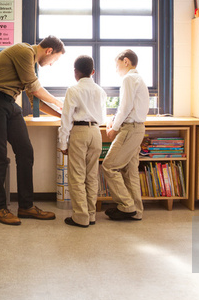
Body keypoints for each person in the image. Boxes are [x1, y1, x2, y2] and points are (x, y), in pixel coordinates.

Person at [0, 35, 65, 225]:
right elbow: (35, 90)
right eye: (55, 59)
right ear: (49, 51)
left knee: (25, 152)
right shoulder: (24, 51)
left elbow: (35, 101)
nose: (51, 64)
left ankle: (26, 206)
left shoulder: (29, 64)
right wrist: (59, 101)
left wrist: (61, 115)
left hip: (9, 103)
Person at [58, 55, 107, 228]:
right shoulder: (100, 91)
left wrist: (63, 143)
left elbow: (66, 119)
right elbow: (102, 115)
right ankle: (91, 215)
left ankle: (80, 216)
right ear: (93, 72)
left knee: (77, 176)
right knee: (92, 175)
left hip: (79, 132)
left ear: (75, 72)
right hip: (96, 132)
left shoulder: (73, 90)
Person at [101, 49, 150, 221]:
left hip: (130, 129)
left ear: (126, 61)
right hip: (137, 128)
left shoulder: (129, 78)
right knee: (130, 171)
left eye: (117, 65)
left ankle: (127, 206)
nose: (116, 69)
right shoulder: (139, 79)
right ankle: (136, 210)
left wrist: (114, 127)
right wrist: (114, 120)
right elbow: (129, 106)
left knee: (109, 166)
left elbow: (125, 106)